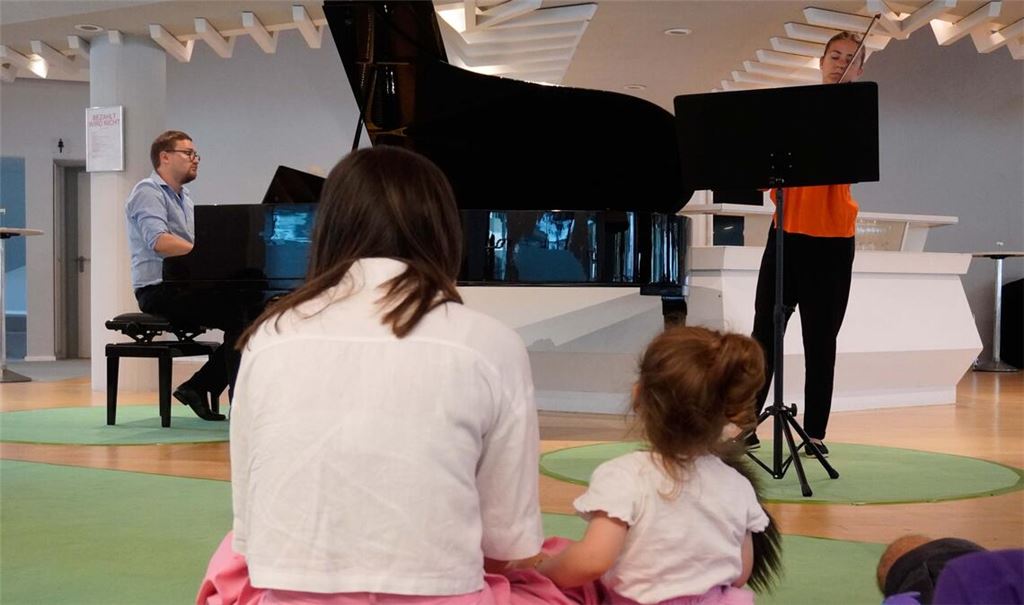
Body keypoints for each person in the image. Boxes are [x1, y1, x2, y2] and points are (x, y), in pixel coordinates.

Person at [225, 145, 544, 602]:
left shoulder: (269, 336)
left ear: (329, 228)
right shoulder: (490, 342)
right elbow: (507, 541)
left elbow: (251, 527)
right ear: (442, 229)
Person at [535, 326, 781, 605]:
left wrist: (541, 569)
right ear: (727, 414)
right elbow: (740, 571)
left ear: (639, 395)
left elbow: (592, 561)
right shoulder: (739, 486)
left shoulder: (624, 476)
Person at [748, 31, 867, 457]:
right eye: (834, 56)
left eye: (850, 59)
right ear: (821, 62)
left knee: (821, 340)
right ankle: (745, 423)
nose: (840, 63)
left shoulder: (855, 114)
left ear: (860, 69)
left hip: (833, 241)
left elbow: (852, 162)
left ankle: (815, 432)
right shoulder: (793, 112)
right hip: (785, 235)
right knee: (764, 333)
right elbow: (763, 173)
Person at [125, 130, 254, 421]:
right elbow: (158, 241)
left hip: (180, 286)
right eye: (188, 153)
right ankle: (234, 404)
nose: (195, 160)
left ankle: (199, 387)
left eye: (195, 154)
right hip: (156, 290)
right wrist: (204, 254)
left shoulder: (185, 197)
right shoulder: (148, 192)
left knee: (250, 316)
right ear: (165, 157)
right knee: (241, 318)